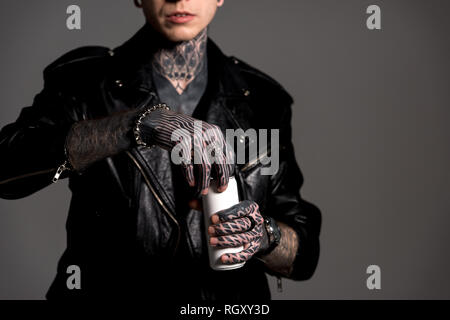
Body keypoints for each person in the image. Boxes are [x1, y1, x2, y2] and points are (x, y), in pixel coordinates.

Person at [0, 0, 321, 300]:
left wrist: (264, 237)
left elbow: (303, 253)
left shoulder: (263, 101)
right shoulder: (84, 82)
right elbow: (7, 168)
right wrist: (133, 126)